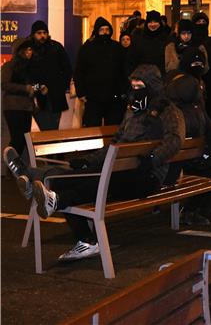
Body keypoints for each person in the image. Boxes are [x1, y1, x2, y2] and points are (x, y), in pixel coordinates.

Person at [3, 64, 185, 261]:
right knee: (85, 175)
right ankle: (65, 214)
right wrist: (89, 160)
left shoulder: (168, 111)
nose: (135, 91)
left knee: (85, 181)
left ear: (152, 87)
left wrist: (152, 159)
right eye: (132, 86)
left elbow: (175, 140)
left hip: (145, 176)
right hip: (118, 170)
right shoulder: (133, 112)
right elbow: (116, 143)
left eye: (139, 86)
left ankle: (32, 178)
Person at [164, 52, 211, 225]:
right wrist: (206, 156)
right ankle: (194, 209)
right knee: (209, 166)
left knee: (210, 164)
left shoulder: (179, 110)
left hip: (180, 157)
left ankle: (203, 207)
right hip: (175, 162)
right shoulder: (190, 111)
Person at [74, 17, 126, 127]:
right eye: (102, 30)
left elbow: (123, 70)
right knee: (92, 128)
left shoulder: (116, 47)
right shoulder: (87, 48)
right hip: (93, 96)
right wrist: (81, 92)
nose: (105, 32)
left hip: (114, 95)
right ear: (97, 31)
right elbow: (79, 71)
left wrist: (123, 91)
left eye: (107, 30)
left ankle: (112, 145)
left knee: (113, 128)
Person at [1, 39, 47, 155]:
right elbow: (4, 84)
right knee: (17, 140)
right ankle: (10, 167)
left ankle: (17, 168)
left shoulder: (29, 68)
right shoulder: (9, 66)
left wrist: (39, 87)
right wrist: (25, 89)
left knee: (23, 140)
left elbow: (31, 86)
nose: (30, 52)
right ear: (20, 51)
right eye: (27, 49)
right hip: (13, 107)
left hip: (26, 108)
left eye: (31, 49)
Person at [28, 20, 73, 130]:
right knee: (44, 128)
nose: (42, 36)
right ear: (33, 34)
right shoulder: (28, 49)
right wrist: (37, 87)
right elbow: (25, 74)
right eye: (39, 33)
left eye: (44, 32)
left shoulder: (56, 47)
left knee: (53, 130)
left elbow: (67, 69)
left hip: (55, 96)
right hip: (36, 97)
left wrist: (59, 87)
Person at [126, 10, 170, 76]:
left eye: (155, 22)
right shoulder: (138, 40)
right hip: (141, 79)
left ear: (159, 23)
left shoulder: (166, 39)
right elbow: (131, 60)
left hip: (161, 79)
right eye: (150, 22)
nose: (153, 24)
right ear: (146, 24)